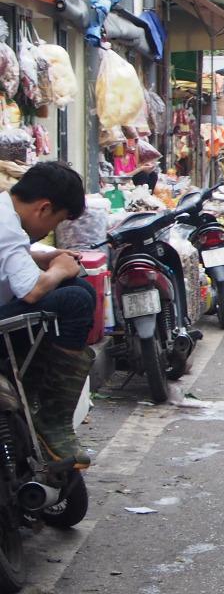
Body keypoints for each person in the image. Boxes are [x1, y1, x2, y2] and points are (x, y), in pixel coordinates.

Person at [0, 163, 96, 465]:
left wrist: (45, 257)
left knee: (80, 291)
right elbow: (31, 291)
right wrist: (58, 269)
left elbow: (11, 257)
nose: (51, 231)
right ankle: (52, 420)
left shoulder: (5, 214)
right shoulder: (7, 223)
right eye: (56, 222)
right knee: (76, 298)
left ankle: (39, 403)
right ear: (44, 208)